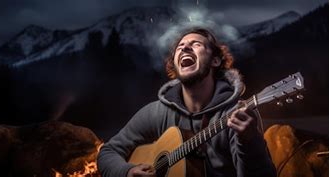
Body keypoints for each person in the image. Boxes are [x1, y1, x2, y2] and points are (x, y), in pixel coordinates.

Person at [97, 27, 276, 177]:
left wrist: (250, 142)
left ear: (216, 60)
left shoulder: (238, 114)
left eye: (196, 44)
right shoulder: (157, 112)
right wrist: (127, 172)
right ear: (174, 64)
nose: (185, 48)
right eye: (180, 46)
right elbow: (107, 152)